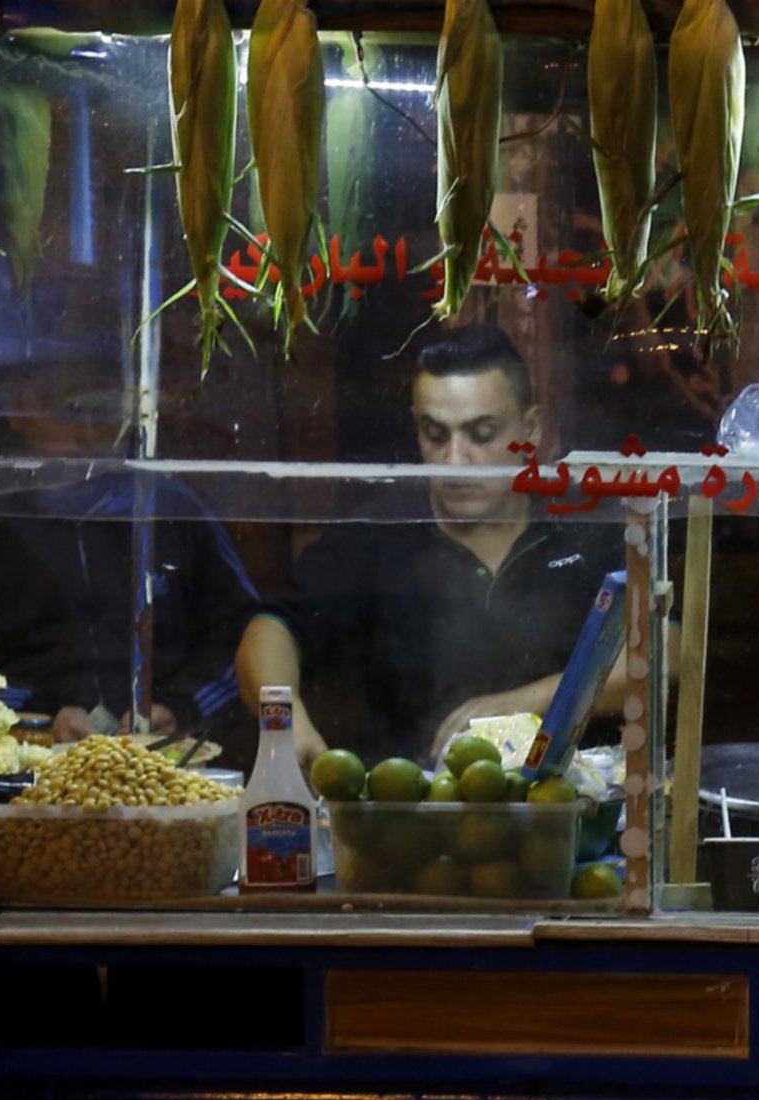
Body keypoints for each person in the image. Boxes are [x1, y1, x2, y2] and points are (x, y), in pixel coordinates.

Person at [239, 323, 626, 771]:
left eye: (481, 433)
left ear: (531, 429)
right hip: (410, 813)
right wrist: (284, 721)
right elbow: (269, 631)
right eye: (435, 434)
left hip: (570, 805)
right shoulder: (377, 535)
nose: (455, 460)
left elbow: (664, 651)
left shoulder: (582, 525)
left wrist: (525, 705)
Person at [0, 440, 263, 745]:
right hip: (10, 770)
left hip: (165, 766)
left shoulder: (173, 507)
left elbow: (248, 639)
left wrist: (182, 706)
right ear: (17, 409)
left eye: (98, 403)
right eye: (60, 402)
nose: (85, 423)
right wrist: (32, 717)